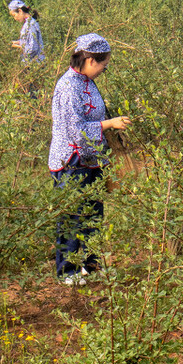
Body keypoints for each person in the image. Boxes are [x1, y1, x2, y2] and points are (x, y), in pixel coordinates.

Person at [48, 33, 132, 285]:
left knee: (93, 214)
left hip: (91, 159)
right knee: (73, 216)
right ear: (91, 61)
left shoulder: (86, 81)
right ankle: (68, 272)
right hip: (70, 161)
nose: (103, 71)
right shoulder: (68, 86)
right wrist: (110, 124)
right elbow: (77, 130)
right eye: (103, 67)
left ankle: (90, 266)